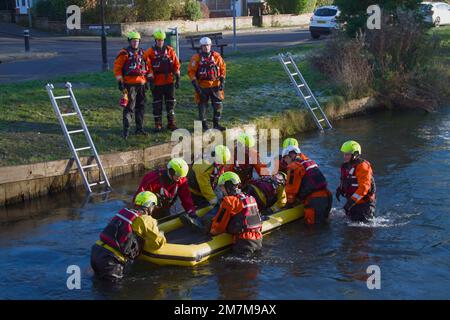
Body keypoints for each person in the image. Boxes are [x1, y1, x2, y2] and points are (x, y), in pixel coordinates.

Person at [91, 191, 165, 281]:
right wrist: (161, 234)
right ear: (150, 205)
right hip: (111, 259)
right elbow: (157, 243)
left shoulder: (124, 212)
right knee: (112, 291)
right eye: (153, 207)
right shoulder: (146, 219)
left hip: (96, 250)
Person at [209, 172, 263, 255]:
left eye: (222, 187)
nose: (222, 190)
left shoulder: (229, 201)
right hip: (258, 240)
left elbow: (219, 226)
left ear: (228, 185)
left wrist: (211, 232)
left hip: (244, 242)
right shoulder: (250, 198)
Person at [134, 158, 198, 224]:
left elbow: (186, 197)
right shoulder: (152, 179)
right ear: (171, 171)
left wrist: (191, 211)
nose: (180, 179)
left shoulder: (181, 180)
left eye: (182, 177)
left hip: (165, 207)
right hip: (149, 209)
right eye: (178, 176)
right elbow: (139, 198)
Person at [113, 31, 152, 139]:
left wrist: (148, 81)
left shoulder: (143, 53)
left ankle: (139, 128)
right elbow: (117, 68)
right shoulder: (124, 53)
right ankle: (126, 130)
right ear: (130, 41)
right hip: (129, 85)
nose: (135, 43)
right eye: (133, 41)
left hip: (141, 84)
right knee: (129, 107)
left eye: (137, 41)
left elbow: (148, 68)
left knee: (141, 107)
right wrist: (120, 81)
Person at [283, 145, 332, 225]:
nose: (285, 161)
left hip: (315, 200)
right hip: (327, 197)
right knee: (324, 225)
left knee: (312, 229)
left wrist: (289, 204)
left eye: (286, 158)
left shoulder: (294, 167)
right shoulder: (309, 162)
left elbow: (291, 189)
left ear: (291, 155)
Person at [187, 37, 226, 131]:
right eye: (204, 46)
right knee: (202, 106)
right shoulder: (196, 58)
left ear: (210, 45)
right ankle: (204, 125)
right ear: (201, 47)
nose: (206, 47)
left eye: (208, 45)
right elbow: (191, 72)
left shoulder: (216, 56)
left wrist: (222, 80)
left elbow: (222, 68)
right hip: (202, 86)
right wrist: (196, 86)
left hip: (215, 85)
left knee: (218, 105)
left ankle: (216, 124)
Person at [146, 29, 181, 132]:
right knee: (157, 104)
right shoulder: (150, 52)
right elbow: (147, 66)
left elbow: (176, 64)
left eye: (162, 40)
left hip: (169, 81)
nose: (160, 42)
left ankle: (171, 123)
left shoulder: (170, 50)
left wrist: (178, 77)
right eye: (158, 40)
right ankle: (158, 124)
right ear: (155, 40)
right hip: (157, 82)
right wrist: (150, 80)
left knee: (170, 103)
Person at [336, 140, 376, 222]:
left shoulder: (363, 167)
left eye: (347, 154)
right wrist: (340, 189)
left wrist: (351, 202)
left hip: (364, 204)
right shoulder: (345, 166)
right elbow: (346, 181)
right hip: (353, 203)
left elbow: (364, 188)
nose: (344, 156)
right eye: (344, 154)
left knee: (362, 230)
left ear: (355, 154)